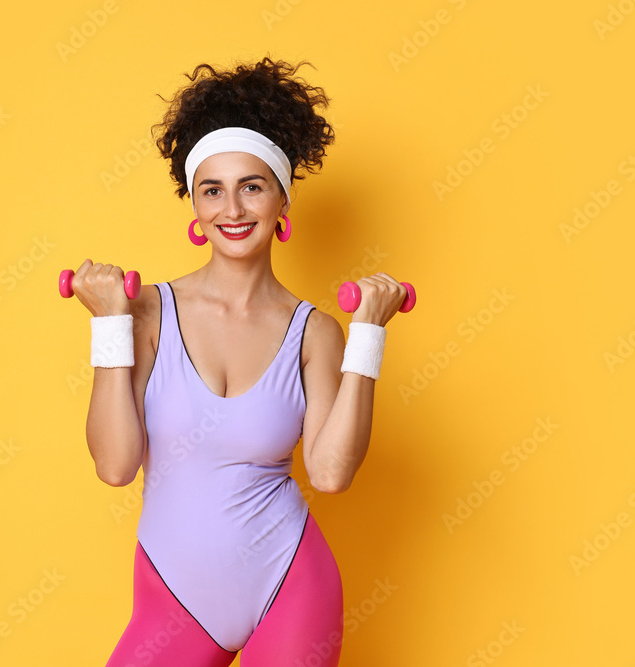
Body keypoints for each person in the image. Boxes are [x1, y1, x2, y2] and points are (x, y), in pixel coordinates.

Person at [71, 57, 408, 666]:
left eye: (251, 186)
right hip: (174, 597)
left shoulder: (316, 335)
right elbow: (116, 465)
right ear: (196, 210)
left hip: (289, 583)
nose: (233, 208)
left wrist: (367, 338)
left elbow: (329, 474)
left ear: (281, 200)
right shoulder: (143, 313)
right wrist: (108, 326)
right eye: (212, 189)